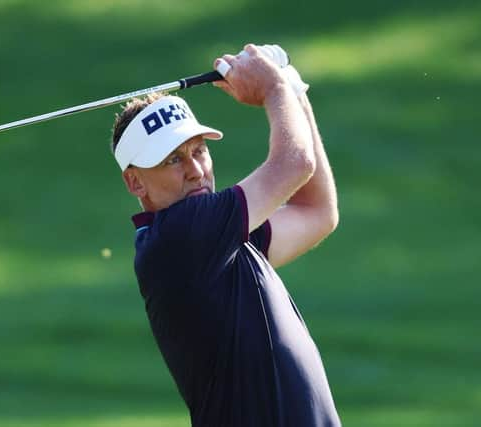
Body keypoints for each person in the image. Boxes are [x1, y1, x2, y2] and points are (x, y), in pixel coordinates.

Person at [110, 44, 341, 427]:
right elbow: (295, 163)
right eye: (172, 160)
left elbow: (316, 213)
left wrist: (294, 93)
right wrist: (274, 90)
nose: (196, 170)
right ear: (135, 181)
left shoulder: (219, 241)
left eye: (198, 150)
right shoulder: (181, 237)